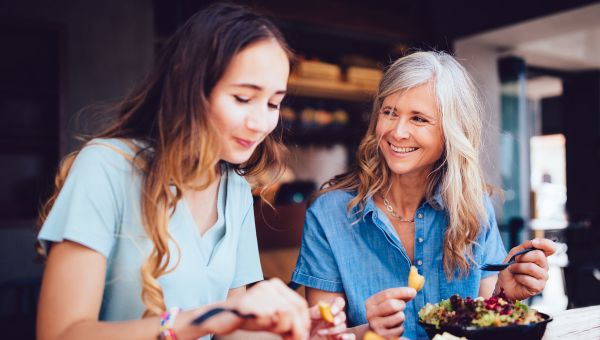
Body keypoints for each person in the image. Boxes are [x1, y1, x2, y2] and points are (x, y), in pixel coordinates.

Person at [36, 3, 350, 340]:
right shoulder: (105, 168)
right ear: (190, 86)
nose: (261, 123)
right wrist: (204, 318)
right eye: (243, 98)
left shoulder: (235, 190)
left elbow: (233, 331)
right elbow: (60, 333)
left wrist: (293, 333)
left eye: (273, 103)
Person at [291, 51, 557, 339]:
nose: (397, 132)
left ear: (451, 132)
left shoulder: (474, 207)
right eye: (389, 112)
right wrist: (368, 332)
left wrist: (504, 296)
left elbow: (482, 319)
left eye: (418, 119)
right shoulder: (329, 214)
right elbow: (322, 334)